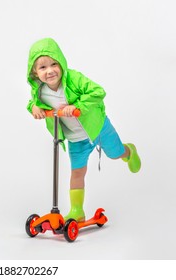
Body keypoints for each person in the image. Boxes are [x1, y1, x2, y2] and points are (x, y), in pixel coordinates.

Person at [26, 38, 141, 222]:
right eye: (43, 67)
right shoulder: (39, 91)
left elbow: (98, 91)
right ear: (34, 72)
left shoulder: (73, 79)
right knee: (77, 172)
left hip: (98, 128)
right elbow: (33, 103)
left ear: (61, 62)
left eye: (54, 64)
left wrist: (77, 105)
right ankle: (77, 210)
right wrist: (34, 108)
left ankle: (129, 151)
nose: (50, 71)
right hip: (75, 139)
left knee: (115, 153)